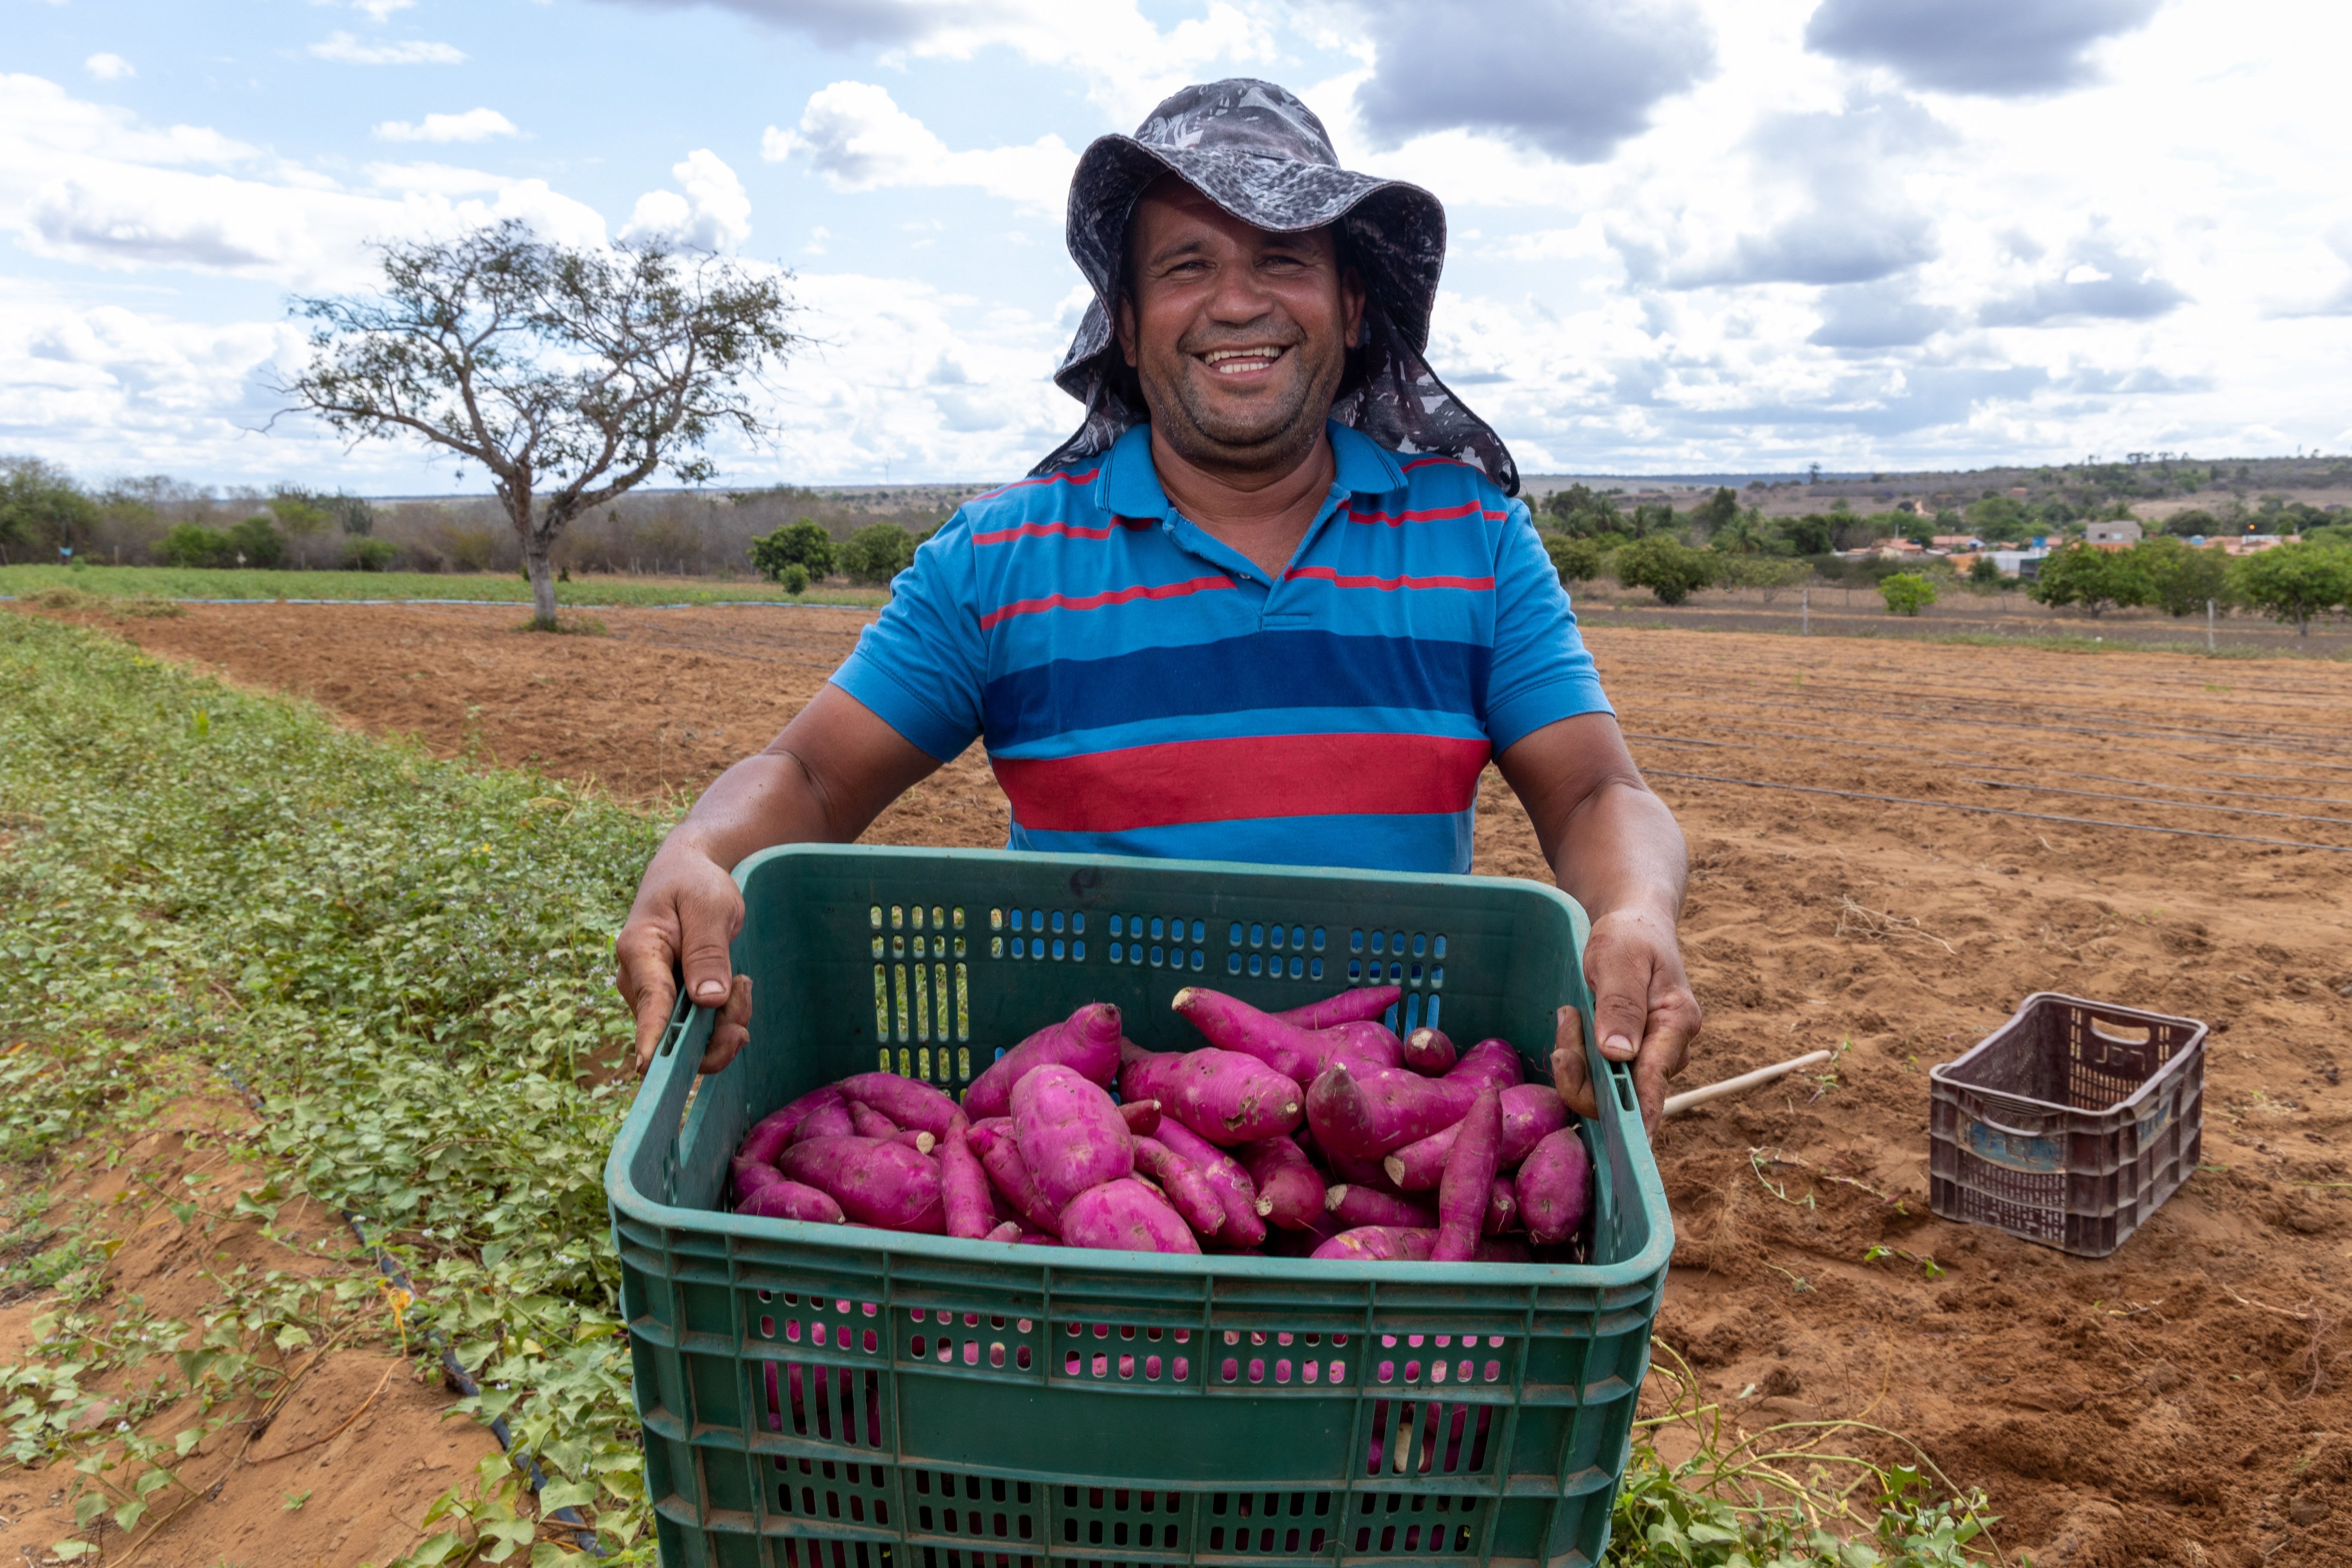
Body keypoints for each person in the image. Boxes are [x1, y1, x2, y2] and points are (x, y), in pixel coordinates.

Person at [615, 80, 1701, 1127]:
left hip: (1386, 1122)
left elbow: (1595, 793)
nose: (1238, 301)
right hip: (1082, 1131)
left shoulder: (1473, 540)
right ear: (1127, 327)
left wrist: (1637, 910)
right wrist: (699, 852)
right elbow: (811, 776)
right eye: (1188, 265)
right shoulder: (999, 560)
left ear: (1352, 304)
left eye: (1284, 258)